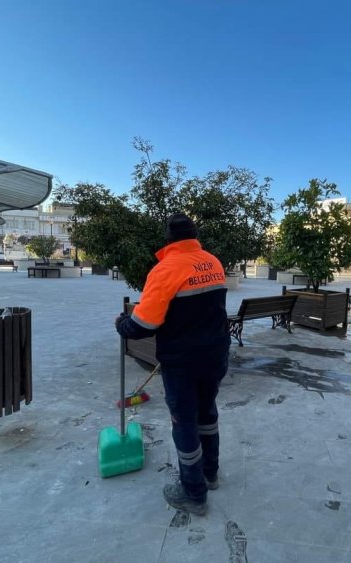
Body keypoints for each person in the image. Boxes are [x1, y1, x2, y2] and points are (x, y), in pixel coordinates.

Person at [115, 213, 230, 516]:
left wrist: (123, 325)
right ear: (195, 235)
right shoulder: (213, 263)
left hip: (184, 362)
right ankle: (210, 473)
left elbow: (143, 323)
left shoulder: (165, 269)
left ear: (168, 239)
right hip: (216, 355)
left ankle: (193, 493)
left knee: (185, 422)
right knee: (207, 413)